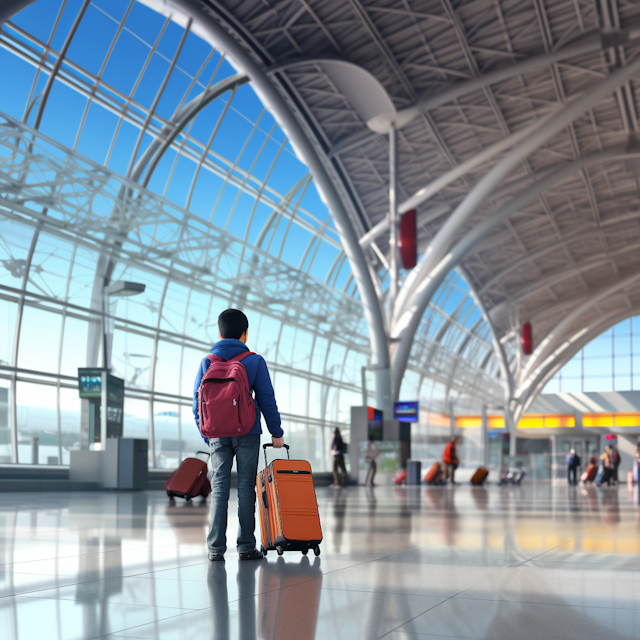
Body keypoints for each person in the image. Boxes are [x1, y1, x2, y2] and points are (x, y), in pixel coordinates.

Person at [193, 309, 283, 562]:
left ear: (220, 333)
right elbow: (266, 400)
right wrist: (276, 433)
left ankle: (215, 549)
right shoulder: (254, 361)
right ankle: (245, 547)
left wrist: (207, 434)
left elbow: (196, 403)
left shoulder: (207, 362)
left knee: (219, 487)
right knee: (246, 488)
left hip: (217, 436)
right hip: (247, 432)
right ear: (245, 334)